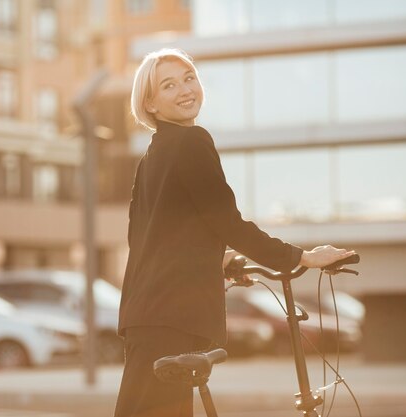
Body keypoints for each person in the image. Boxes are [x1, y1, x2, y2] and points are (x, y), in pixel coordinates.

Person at [114, 48, 355, 417]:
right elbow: (227, 221)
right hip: (169, 318)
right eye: (169, 85)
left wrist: (217, 258)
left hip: (146, 317)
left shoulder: (152, 156)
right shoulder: (191, 142)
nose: (185, 89)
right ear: (150, 103)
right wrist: (299, 256)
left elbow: (153, 238)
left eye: (189, 78)